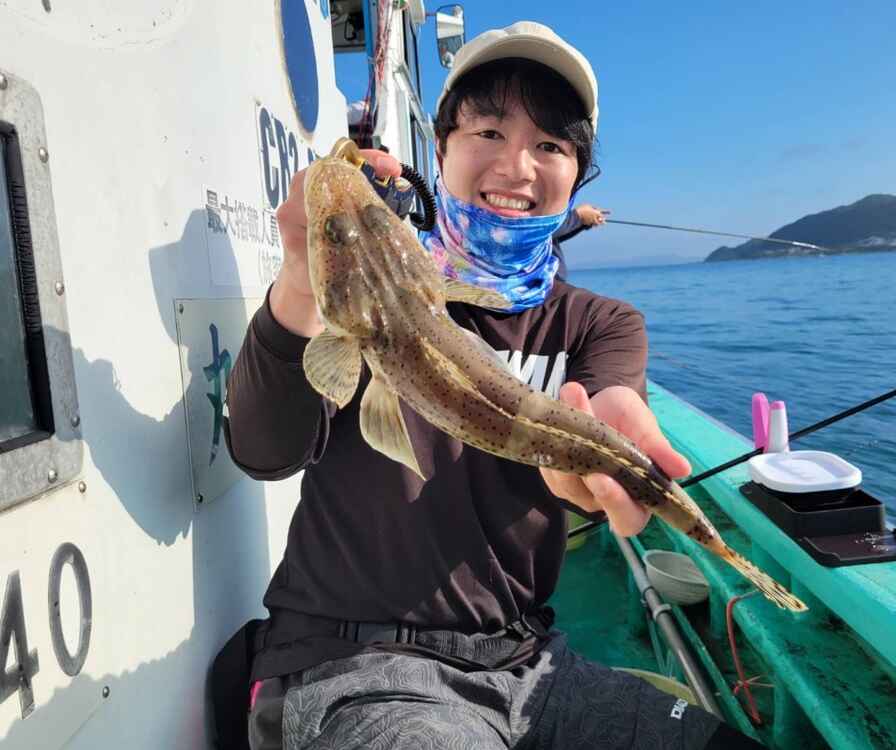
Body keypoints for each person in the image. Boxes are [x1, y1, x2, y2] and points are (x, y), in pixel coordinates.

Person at [226, 20, 761, 750]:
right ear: (438, 150)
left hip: (527, 663)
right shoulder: (354, 305)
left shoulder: (599, 323)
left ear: (577, 177)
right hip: (355, 659)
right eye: (487, 132)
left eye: (551, 145)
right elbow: (263, 453)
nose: (517, 166)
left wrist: (608, 444)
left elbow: (611, 402)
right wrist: (299, 278)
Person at [553, 202, 609, 280]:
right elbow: (540, 230)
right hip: (543, 282)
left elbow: (552, 237)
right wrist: (578, 216)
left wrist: (583, 222)